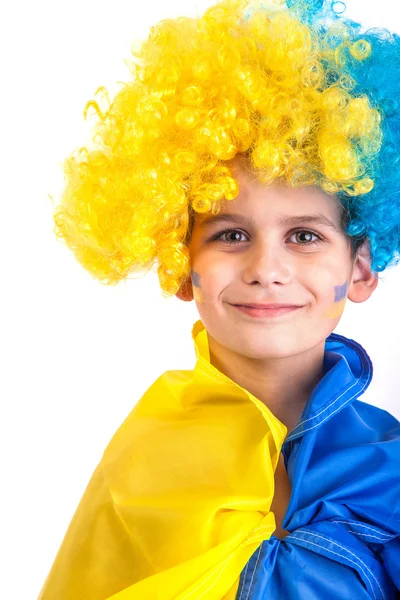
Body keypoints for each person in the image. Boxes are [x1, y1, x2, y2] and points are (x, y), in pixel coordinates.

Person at [39, 0, 400, 598]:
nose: (267, 269)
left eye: (305, 236)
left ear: (359, 269)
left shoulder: (388, 465)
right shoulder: (145, 467)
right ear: (183, 267)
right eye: (231, 235)